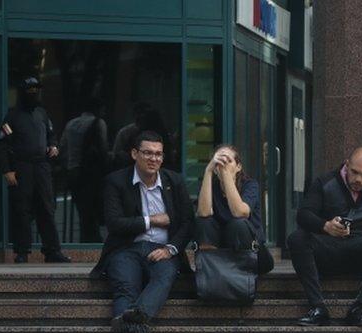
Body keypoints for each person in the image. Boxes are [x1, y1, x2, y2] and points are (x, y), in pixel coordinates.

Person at [287, 147, 362, 327]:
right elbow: (304, 215)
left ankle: (358, 308)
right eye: (354, 172)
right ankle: (318, 308)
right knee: (296, 238)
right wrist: (326, 226)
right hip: (328, 251)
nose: (358, 179)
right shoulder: (325, 182)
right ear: (346, 164)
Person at [90, 131, 193, 320]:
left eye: (158, 154)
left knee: (163, 279)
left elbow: (187, 222)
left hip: (162, 250)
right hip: (125, 249)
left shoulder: (174, 181)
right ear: (134, 154)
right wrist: (151, 220)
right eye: (147, 153)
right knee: (126, 287)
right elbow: (114, 224)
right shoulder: (116, 181)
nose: (153, 158)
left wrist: (170, 249)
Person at [0, 76, 70, 264]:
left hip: (42, 166)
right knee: (22, 210)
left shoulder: (42, 114)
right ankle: (22, 252)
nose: (33, 94)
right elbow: (2, 145)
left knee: (47, 208)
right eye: (30, 91)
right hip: (22, 167)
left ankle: (52, 251)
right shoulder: (12, 116)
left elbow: (52, 135)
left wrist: (54, 146)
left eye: (36, 90)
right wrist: (7, 170)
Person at [191, 144, 274, 275]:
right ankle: (210, 272)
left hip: (250, 250)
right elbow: (203, 212)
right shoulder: (209, 185)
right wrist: (208, 171)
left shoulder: (250, 185)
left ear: (238, 167)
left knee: (238, 224)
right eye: (219, 160)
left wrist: (226, 175)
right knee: (204, 222)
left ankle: (240, 274)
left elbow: (240, 212)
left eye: (228, 161)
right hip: (220, 247)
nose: (222, 164)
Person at [59, 97, 109, 242]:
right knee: (94, 207)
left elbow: (63, 148)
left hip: (74, 171)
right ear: (98, 109)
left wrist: (66, 166)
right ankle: (92, 239)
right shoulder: (98, 123)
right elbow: (103, 149)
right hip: (92, 173)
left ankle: (85, 237)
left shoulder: (71, 124)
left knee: (83, 210)